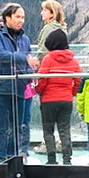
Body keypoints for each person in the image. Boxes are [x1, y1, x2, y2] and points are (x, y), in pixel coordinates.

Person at [0, 3, 36, 162]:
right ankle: (1, 159)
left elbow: (29, 63)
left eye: (22, 17)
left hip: (19, 88)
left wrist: (29, 77)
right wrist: (24, 58)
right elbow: (0, 55)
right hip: (0, 87)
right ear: (8, 17)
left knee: (17, 127)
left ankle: (13, 158)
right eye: (17, 17)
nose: (21, 20)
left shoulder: (25, 39)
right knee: (0, 127)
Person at [35, 27, 81, 164]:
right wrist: (71, 93)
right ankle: (67, 158)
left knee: (48, 130)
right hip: (66, 99)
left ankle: (51, 159)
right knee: (64, 130)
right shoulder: (73, 61)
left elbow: (42, 79)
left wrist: (39, 90)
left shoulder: (48, 59)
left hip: (48, 100)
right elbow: (78, 79)